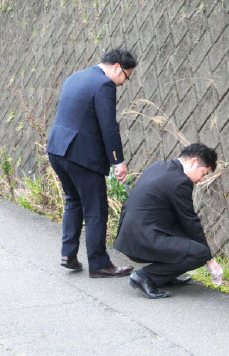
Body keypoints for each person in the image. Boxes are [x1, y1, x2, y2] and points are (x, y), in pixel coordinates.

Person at [46, 48, 136, 278]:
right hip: (82, 156)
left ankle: (68, 254)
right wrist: (118, 161)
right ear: (117, 67)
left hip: (58, 149)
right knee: (96, 209)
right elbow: (109, 127)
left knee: (73, 201)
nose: (123, 83)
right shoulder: (104, 85)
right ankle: (99, 264)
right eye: (126, 76)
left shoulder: (76, 76)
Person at [114, 143, 218, 299]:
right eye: (203, 173)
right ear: (194, 162)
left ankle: (164, 277)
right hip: (143, 238)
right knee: (200, 253)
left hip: (129, 235)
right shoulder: (180, 182)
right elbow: (190, 221)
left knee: (185, 241)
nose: (201, 179)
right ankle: (144, 277)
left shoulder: (159, 166)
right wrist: (209, 260)